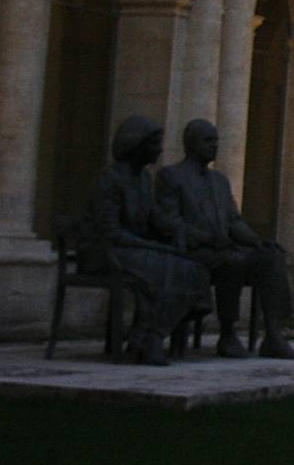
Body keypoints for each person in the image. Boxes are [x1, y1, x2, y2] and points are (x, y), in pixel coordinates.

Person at [153, 118, 294, 360]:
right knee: (232, 262)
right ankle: (228, 333)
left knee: (272, 256)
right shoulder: (171, 176)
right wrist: (207, 239)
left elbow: (234, 221)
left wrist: (256, 241)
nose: (214, 146)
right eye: (208, 141)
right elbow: (168, 222)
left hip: (224, 249)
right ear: (191, 143)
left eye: (216, 141)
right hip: (193, 253)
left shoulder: (219, 181)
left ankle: (275, 335)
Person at [79, 115, 212, 366]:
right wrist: (151, 246)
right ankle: (149, 339)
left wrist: (179, 231)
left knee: (191, 267)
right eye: (154, 144)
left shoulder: (143, 179)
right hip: (106, 252)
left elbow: (153, 218)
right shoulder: (110, 179)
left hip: (132, 250)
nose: (160, 150)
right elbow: (109, 231)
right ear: (137, 145)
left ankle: (147, 336)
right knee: (168, 269)